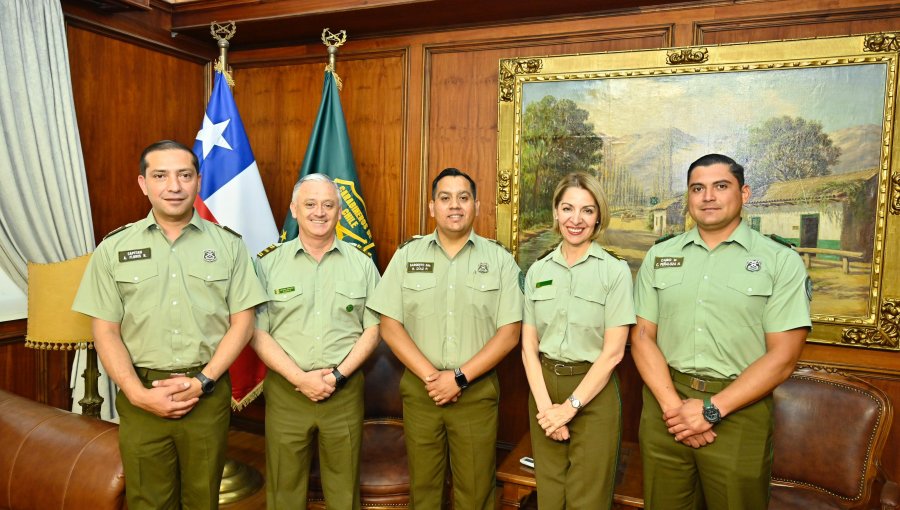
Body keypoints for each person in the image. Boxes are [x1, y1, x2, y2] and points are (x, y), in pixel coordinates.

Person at [72, 140, 268, 510]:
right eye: (160, 175)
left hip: (207, 393)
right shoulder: (113, 248)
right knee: (148, 500)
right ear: (143, 183)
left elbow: (243, 323)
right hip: (141, 393)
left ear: (198, 181)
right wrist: (135, 392)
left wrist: (203, 381)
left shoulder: (228, 246)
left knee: (203, 498)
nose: (173, 186)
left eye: (184, 175)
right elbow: (105, 330)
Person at [631, 153, 812, 509]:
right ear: (689, 196)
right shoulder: (661, 255)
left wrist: (710, 411)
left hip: (738, 410)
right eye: (697, 188)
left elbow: (784, 357)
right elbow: (641, 338)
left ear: (743, 193)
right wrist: (675, 410)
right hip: (665, 406)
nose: (708, 196)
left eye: (720, 186)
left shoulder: (780, 261)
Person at [366, 167, 523, 509]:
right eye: (445, 197)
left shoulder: (499, 260)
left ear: (476, 206)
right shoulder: (408, 256)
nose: (455, 205)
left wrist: (459, 377)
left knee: (475, 492)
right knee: (424, 490)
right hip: (423, 392)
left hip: (476, 394)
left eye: (463, 198)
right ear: (431, 206)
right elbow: (389, 324)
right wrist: (432, 377)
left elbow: (510, 333)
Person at [250, 173, 380, 509]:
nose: (319, 212)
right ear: (294, 209)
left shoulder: (362, 265)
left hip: (344, 392)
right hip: (287, 393)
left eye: (328, 205)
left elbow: (374, 329)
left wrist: (337, 376)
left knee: (343, 491)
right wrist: (300, 379)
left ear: (340, 212)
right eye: (310, 204)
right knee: (284, 491)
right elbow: (256, 331)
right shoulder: (266, 265)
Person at [521, 172, 635, 509]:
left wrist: (569, 409)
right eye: (568, 208)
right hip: (544, 390)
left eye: (587, 210)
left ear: (598, 216)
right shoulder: (538, 271)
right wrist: (547, 410)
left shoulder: (614, 272)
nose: (576, 219)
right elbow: (528, 349)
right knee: (550, 497)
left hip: (593, 394)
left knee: (589, 500)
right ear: (555, 212)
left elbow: (613, 354)